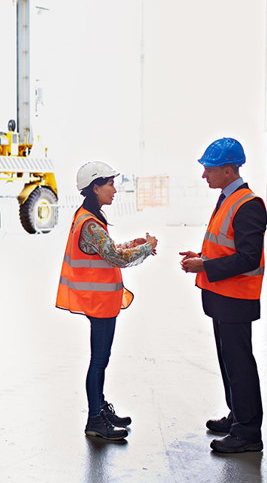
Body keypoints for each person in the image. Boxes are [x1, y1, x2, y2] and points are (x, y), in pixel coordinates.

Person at [56, 161, 157, 441]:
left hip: (100, 301)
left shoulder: (89, 217)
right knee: (99, 360)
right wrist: (148, 247)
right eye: (110, 184)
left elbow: (107, 251)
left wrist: (135, 243)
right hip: (99, 302)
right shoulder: (90, 223)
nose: (115, 189)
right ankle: (95, 419)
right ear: (95, 187)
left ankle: (100, 408)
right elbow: (116, 258)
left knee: (101, 359)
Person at [179, 137, 266, 454]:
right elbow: (226, 245)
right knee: (230, 363)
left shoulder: (248, 205)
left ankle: (248, 433)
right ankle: (237, 416)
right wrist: (202, 256)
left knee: (240, 365)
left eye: (210, 170)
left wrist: (205, 265)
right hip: (222, 296)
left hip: (236, 299)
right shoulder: (228, 198)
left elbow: (248, 258)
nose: (205, 176)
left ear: (229, 170)